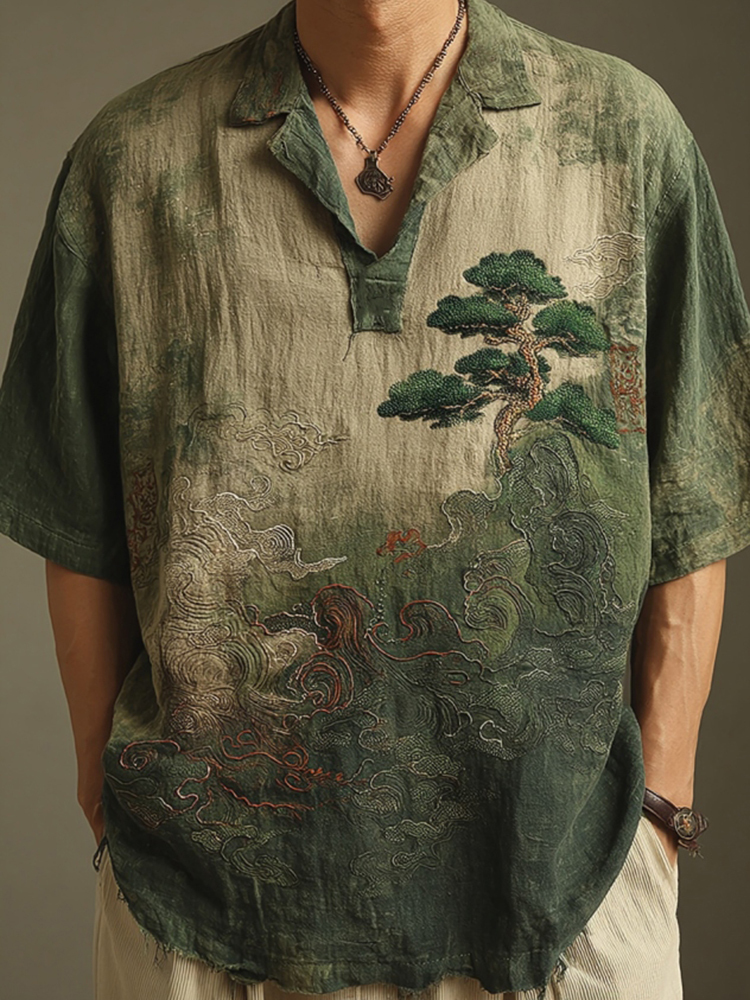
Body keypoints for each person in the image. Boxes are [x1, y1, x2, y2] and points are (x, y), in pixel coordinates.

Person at [1, 0, 748, 997]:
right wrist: (113, 804)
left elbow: (696, 488)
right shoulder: (136, 161)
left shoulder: (621, 132)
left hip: (569, 899)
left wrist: (660, 807)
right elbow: (77, 513)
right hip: (207, 912)